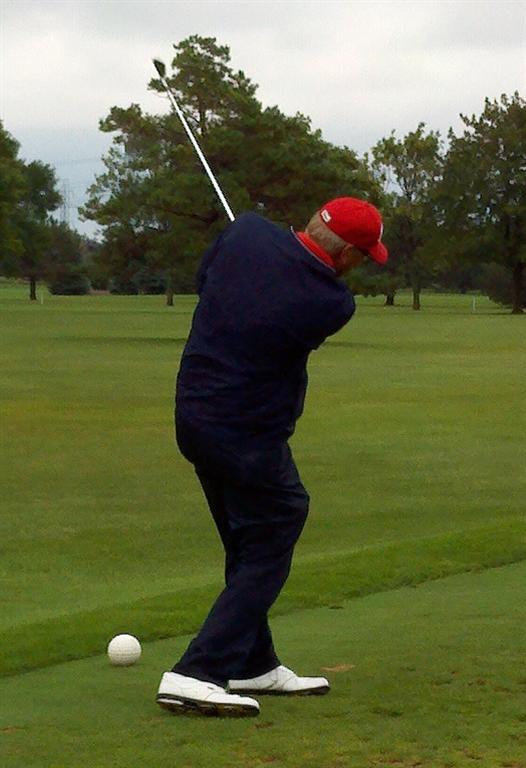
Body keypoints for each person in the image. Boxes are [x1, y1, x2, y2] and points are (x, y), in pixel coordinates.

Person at [156, 197, 388, 717]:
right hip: (247, 433)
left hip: (194, 415)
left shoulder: (247, 233)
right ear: (347, 253)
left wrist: (251, 247)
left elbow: (207, 279)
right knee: (282, 515)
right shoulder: (332, 303)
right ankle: (198, 670)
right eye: (363, 255)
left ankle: (252, 661)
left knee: (246, 539)